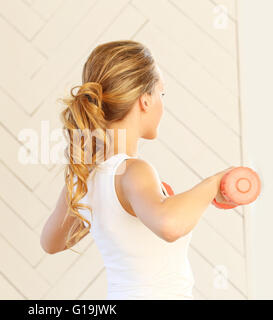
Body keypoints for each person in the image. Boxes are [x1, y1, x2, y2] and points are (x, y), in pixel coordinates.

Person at [40, 40, 234, 299]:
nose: (162, 103)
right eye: (161, 94)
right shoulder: (134, 171)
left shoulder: (87, 176)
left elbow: (51, 243)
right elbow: (169, 224)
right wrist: (215, 182)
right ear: (145, 100)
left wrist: (103, 210)